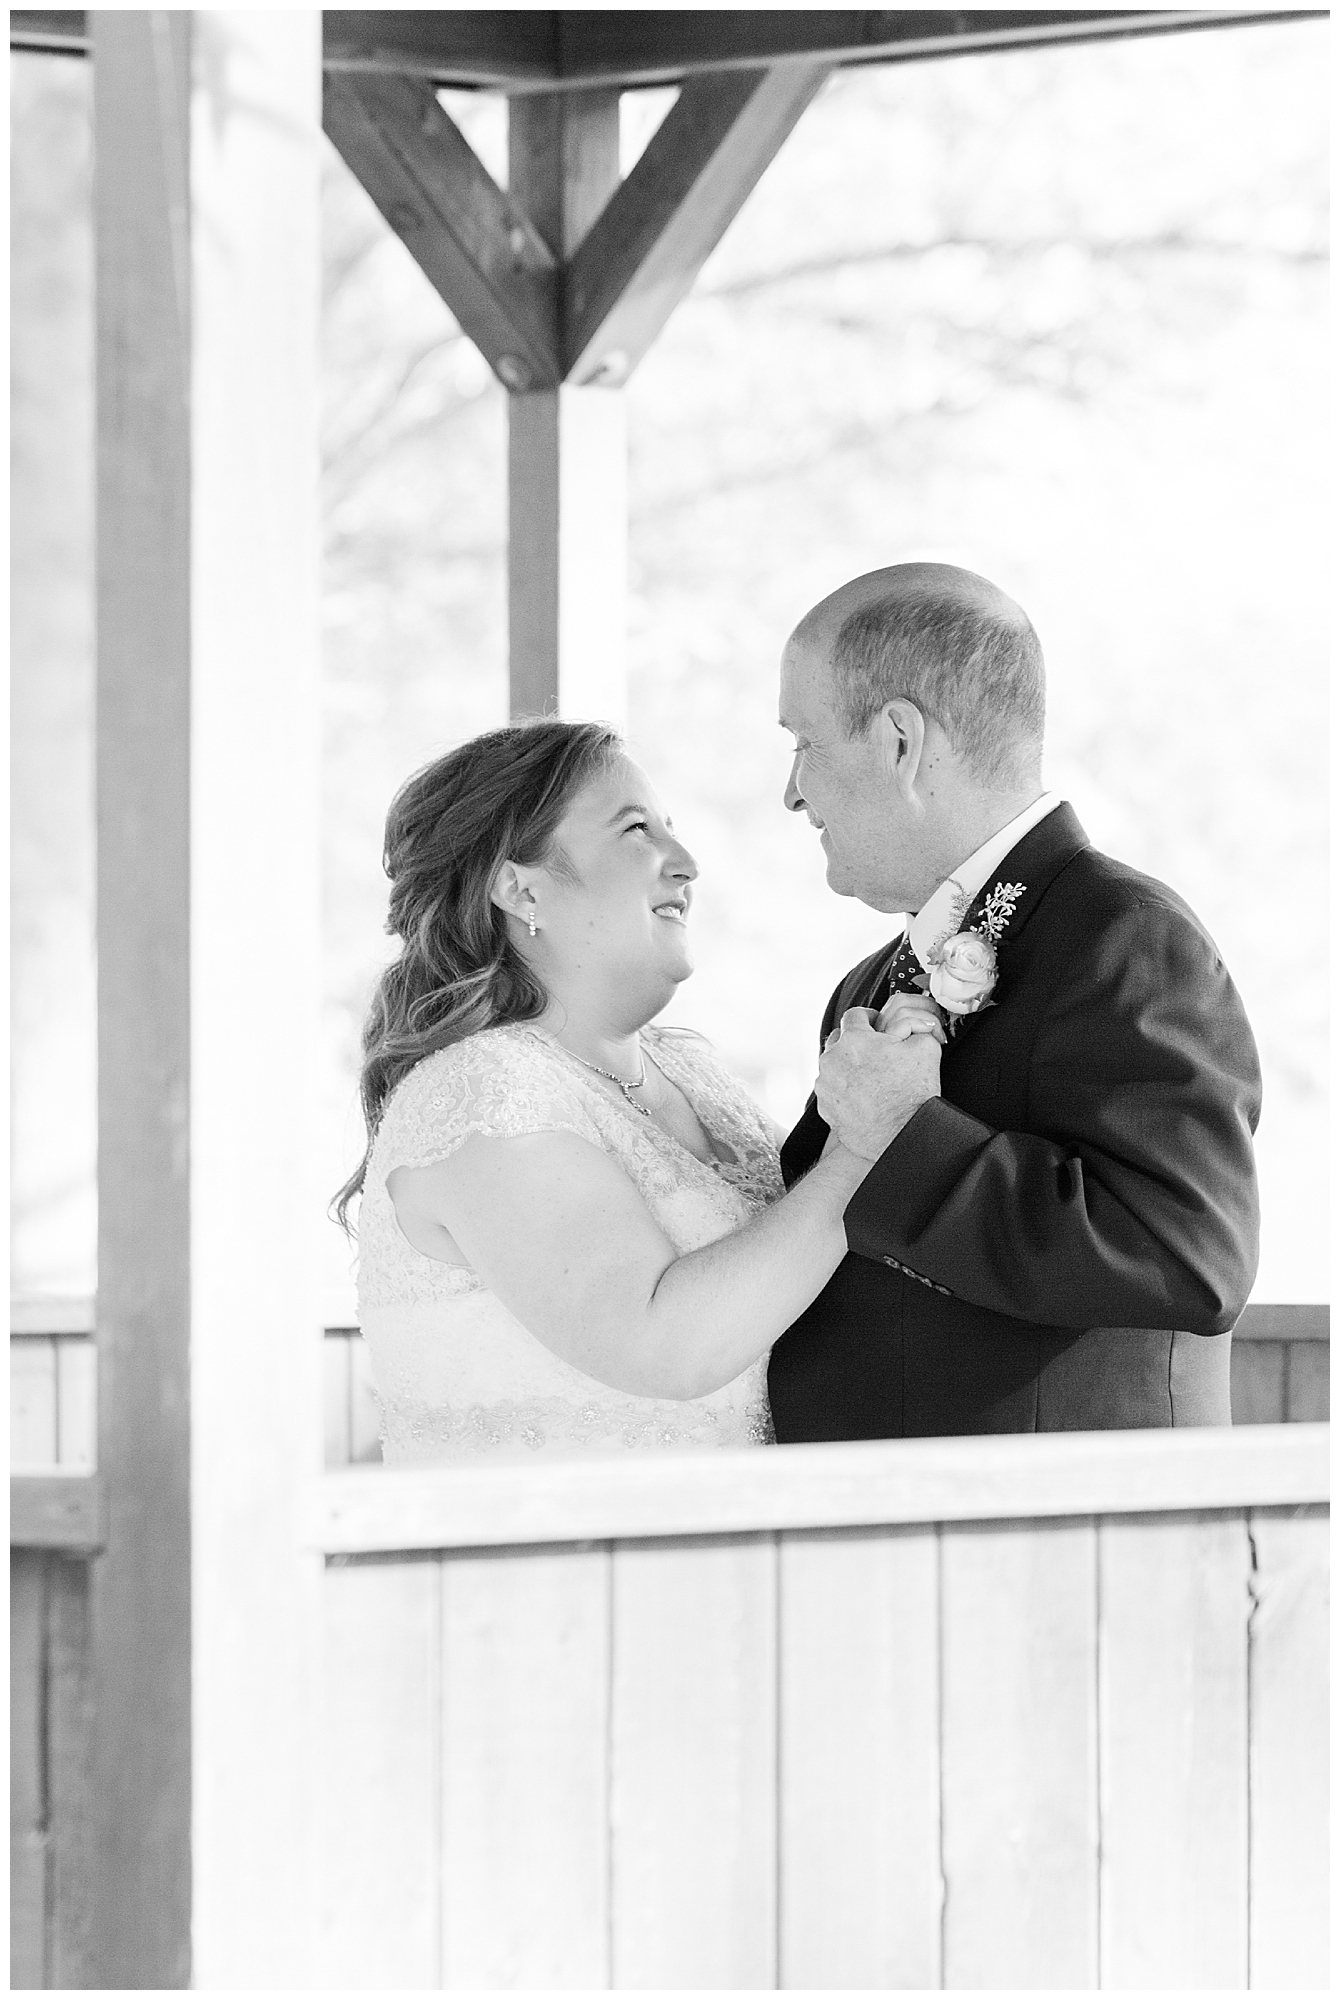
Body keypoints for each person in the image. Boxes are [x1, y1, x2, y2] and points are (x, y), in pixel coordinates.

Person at [767, 561, 1262, 1440]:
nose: (792, 790)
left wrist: (904, 1132)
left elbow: (1186, 1259)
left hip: (1073, 1545)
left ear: (899, 743)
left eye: (804, 742)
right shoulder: (867, 982)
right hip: (880, 1537)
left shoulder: (1124, 936)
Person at [336, 719, 875, 1463]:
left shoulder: (694, 1076)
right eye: (636, 832)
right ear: (521, 888)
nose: (685, 864)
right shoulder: (481, 1095)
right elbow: (663, 1346)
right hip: (566, 1572)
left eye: (673, 832)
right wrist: (865, 1148)